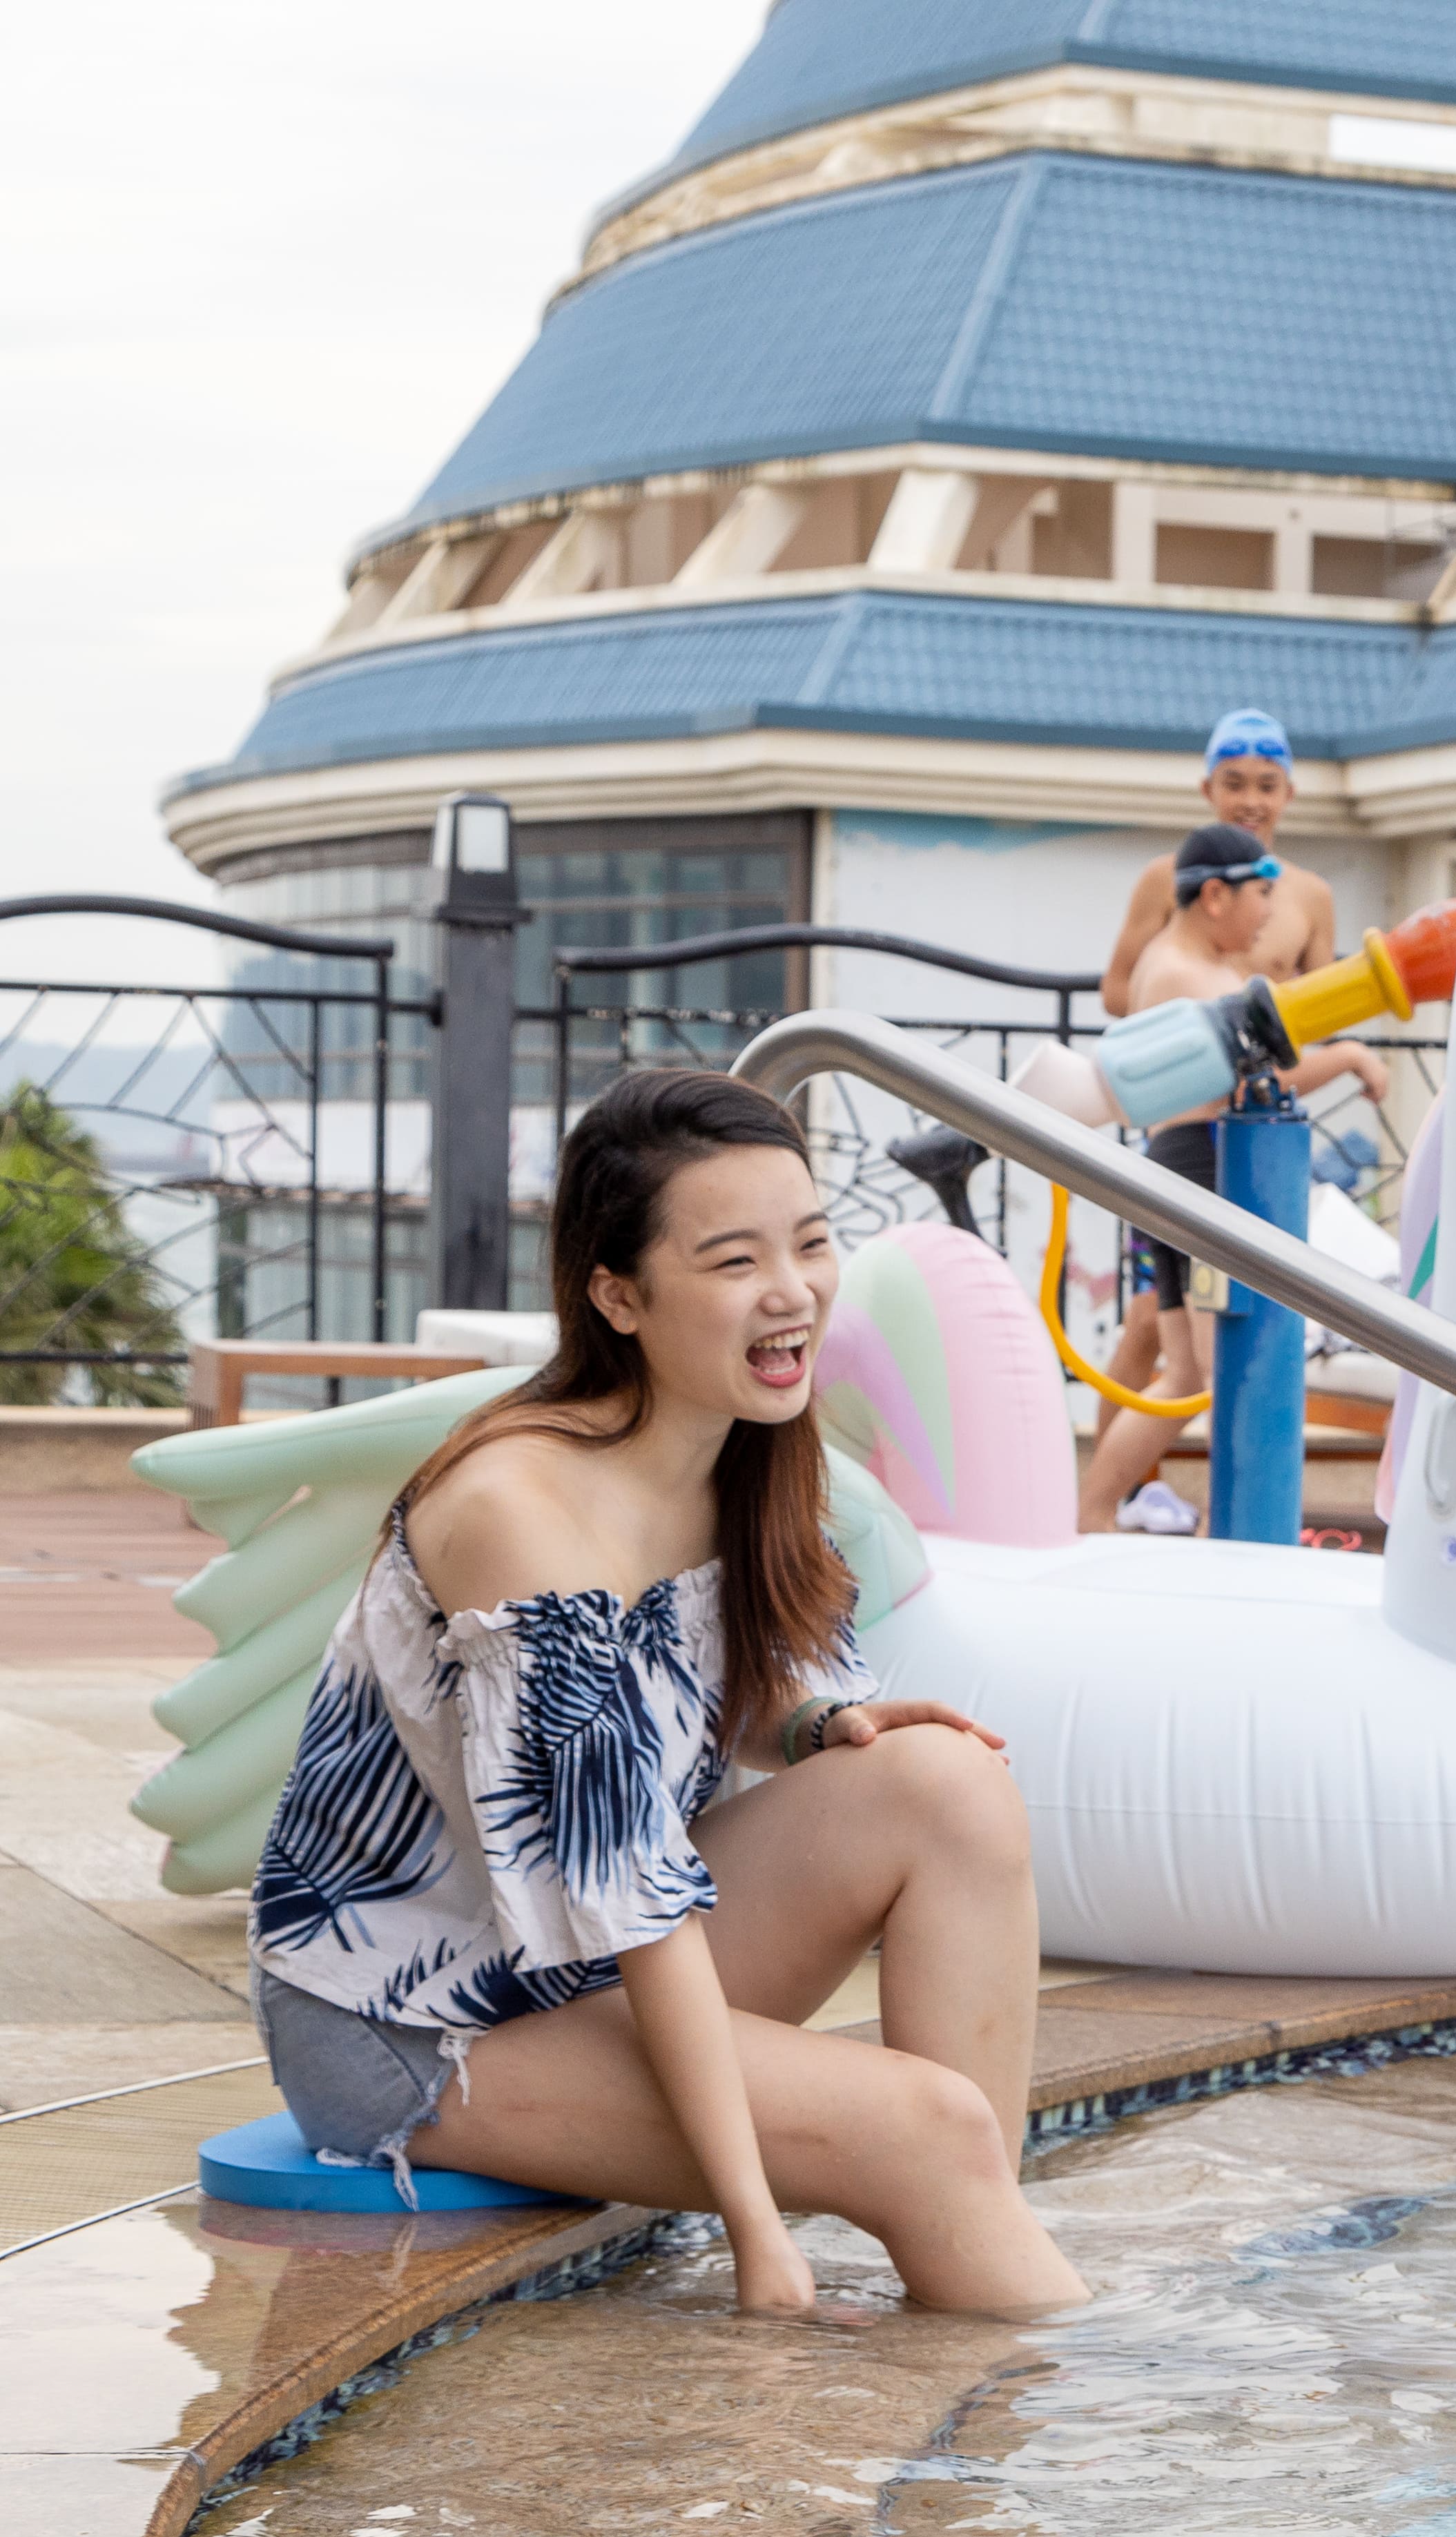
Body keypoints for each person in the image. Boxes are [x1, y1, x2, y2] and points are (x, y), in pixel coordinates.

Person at [245, 1070, 1084, 2319]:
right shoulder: (517, 1516)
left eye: (809, 1242)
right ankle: (1026, 2430)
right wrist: (758, 2232)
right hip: (410, 2018)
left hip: (574, 1962)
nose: (792, 1291)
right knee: (925, 2130)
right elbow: (631, 1898)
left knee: (952, 1784)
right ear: (618, 1295)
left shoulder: (739, 1446)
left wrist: (810, 1724)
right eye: (735, 1260)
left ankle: (972, 2238)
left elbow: (699, 1692)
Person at [1076, 822, 1392, 1532]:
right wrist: (1348, 1056)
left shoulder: (1169, 963)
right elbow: (1269, 1070)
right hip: (1203, 1172)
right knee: (1230, 1372)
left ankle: (1092, 1513)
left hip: (1178, 1170)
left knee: (1187, 1376)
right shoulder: (1198, 978)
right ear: (1215, 895)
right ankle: (1229, 1529)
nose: (1270, 917)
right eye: (1263, 896)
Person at [1098, 709, 1339, 1009]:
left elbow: (1325, 1012)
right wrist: (1195, 1026)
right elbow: (1116, 991)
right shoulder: (1166, 879)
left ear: (1288, 794)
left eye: (1267, 787)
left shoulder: (1312, 895)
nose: (1251, 802)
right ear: (1208, 789)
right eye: (1234, 785)